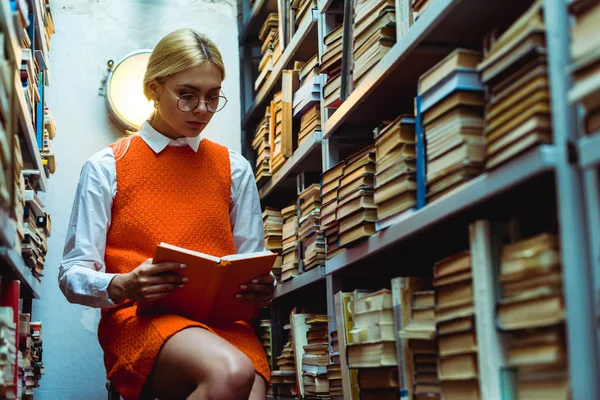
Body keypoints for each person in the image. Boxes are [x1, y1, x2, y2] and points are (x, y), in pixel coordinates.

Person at [58, 28, 275, 400]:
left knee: (249, 387)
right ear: (153, 88)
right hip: (141, 320)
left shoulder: (234, 169)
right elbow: (72, 273)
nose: (202, 110)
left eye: (212, 97)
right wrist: (122, 284)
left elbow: (251, 261)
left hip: (226, 325)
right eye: (187, 96)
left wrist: (262, 288)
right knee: (231, 373)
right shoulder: (108, 166)